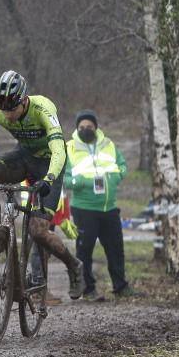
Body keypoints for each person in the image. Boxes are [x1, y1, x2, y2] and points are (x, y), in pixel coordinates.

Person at [0, 70, 86, 299]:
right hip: (23, 157)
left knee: (37, 231)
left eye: (12, 110)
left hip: (49, 163)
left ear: (24, 100)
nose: (7, 116)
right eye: (3, 110)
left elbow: (59, 149)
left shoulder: (43, 108)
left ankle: (74, 265)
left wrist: (48, 179)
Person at [64, 109, 133, 299]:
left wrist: (117, 177)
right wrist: (82, 182)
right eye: (82, 127)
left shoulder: (108, 144)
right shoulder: (69, 148)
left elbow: (122, 165)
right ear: (77, 129)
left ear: (96, 127)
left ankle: (120, 286)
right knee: (84, 251)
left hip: (109, 208)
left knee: (115, 249)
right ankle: (88, 289)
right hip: (84, 208)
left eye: (90, 126)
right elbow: (65, 178)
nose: (86, 129)